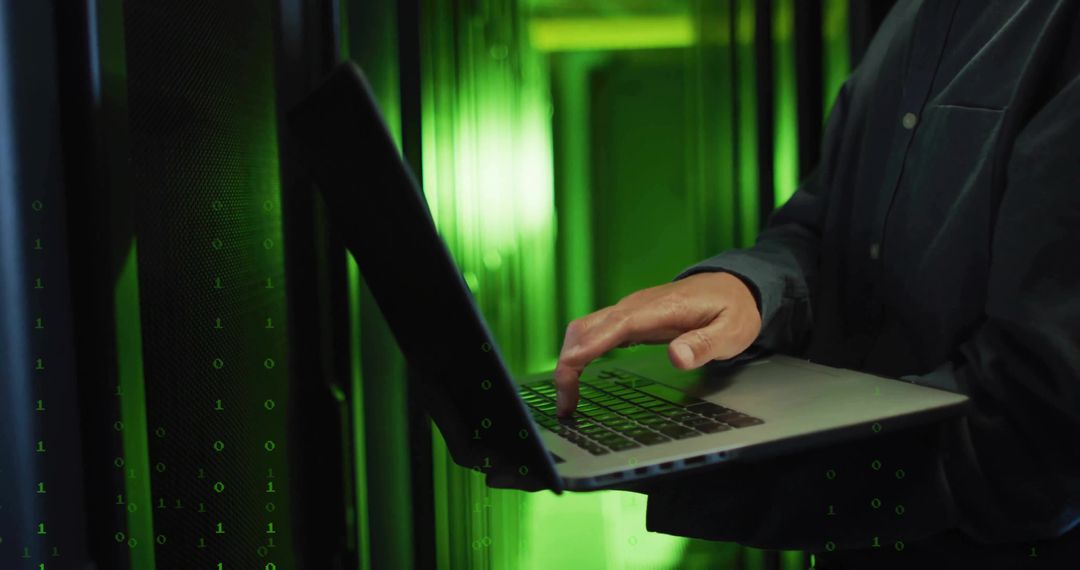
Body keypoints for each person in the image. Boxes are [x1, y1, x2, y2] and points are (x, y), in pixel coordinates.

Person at [552, 1, 1080, 567]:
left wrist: (684, 460)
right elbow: (826, 229)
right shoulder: (912, 19)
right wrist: (747, 288)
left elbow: (1033, 437)